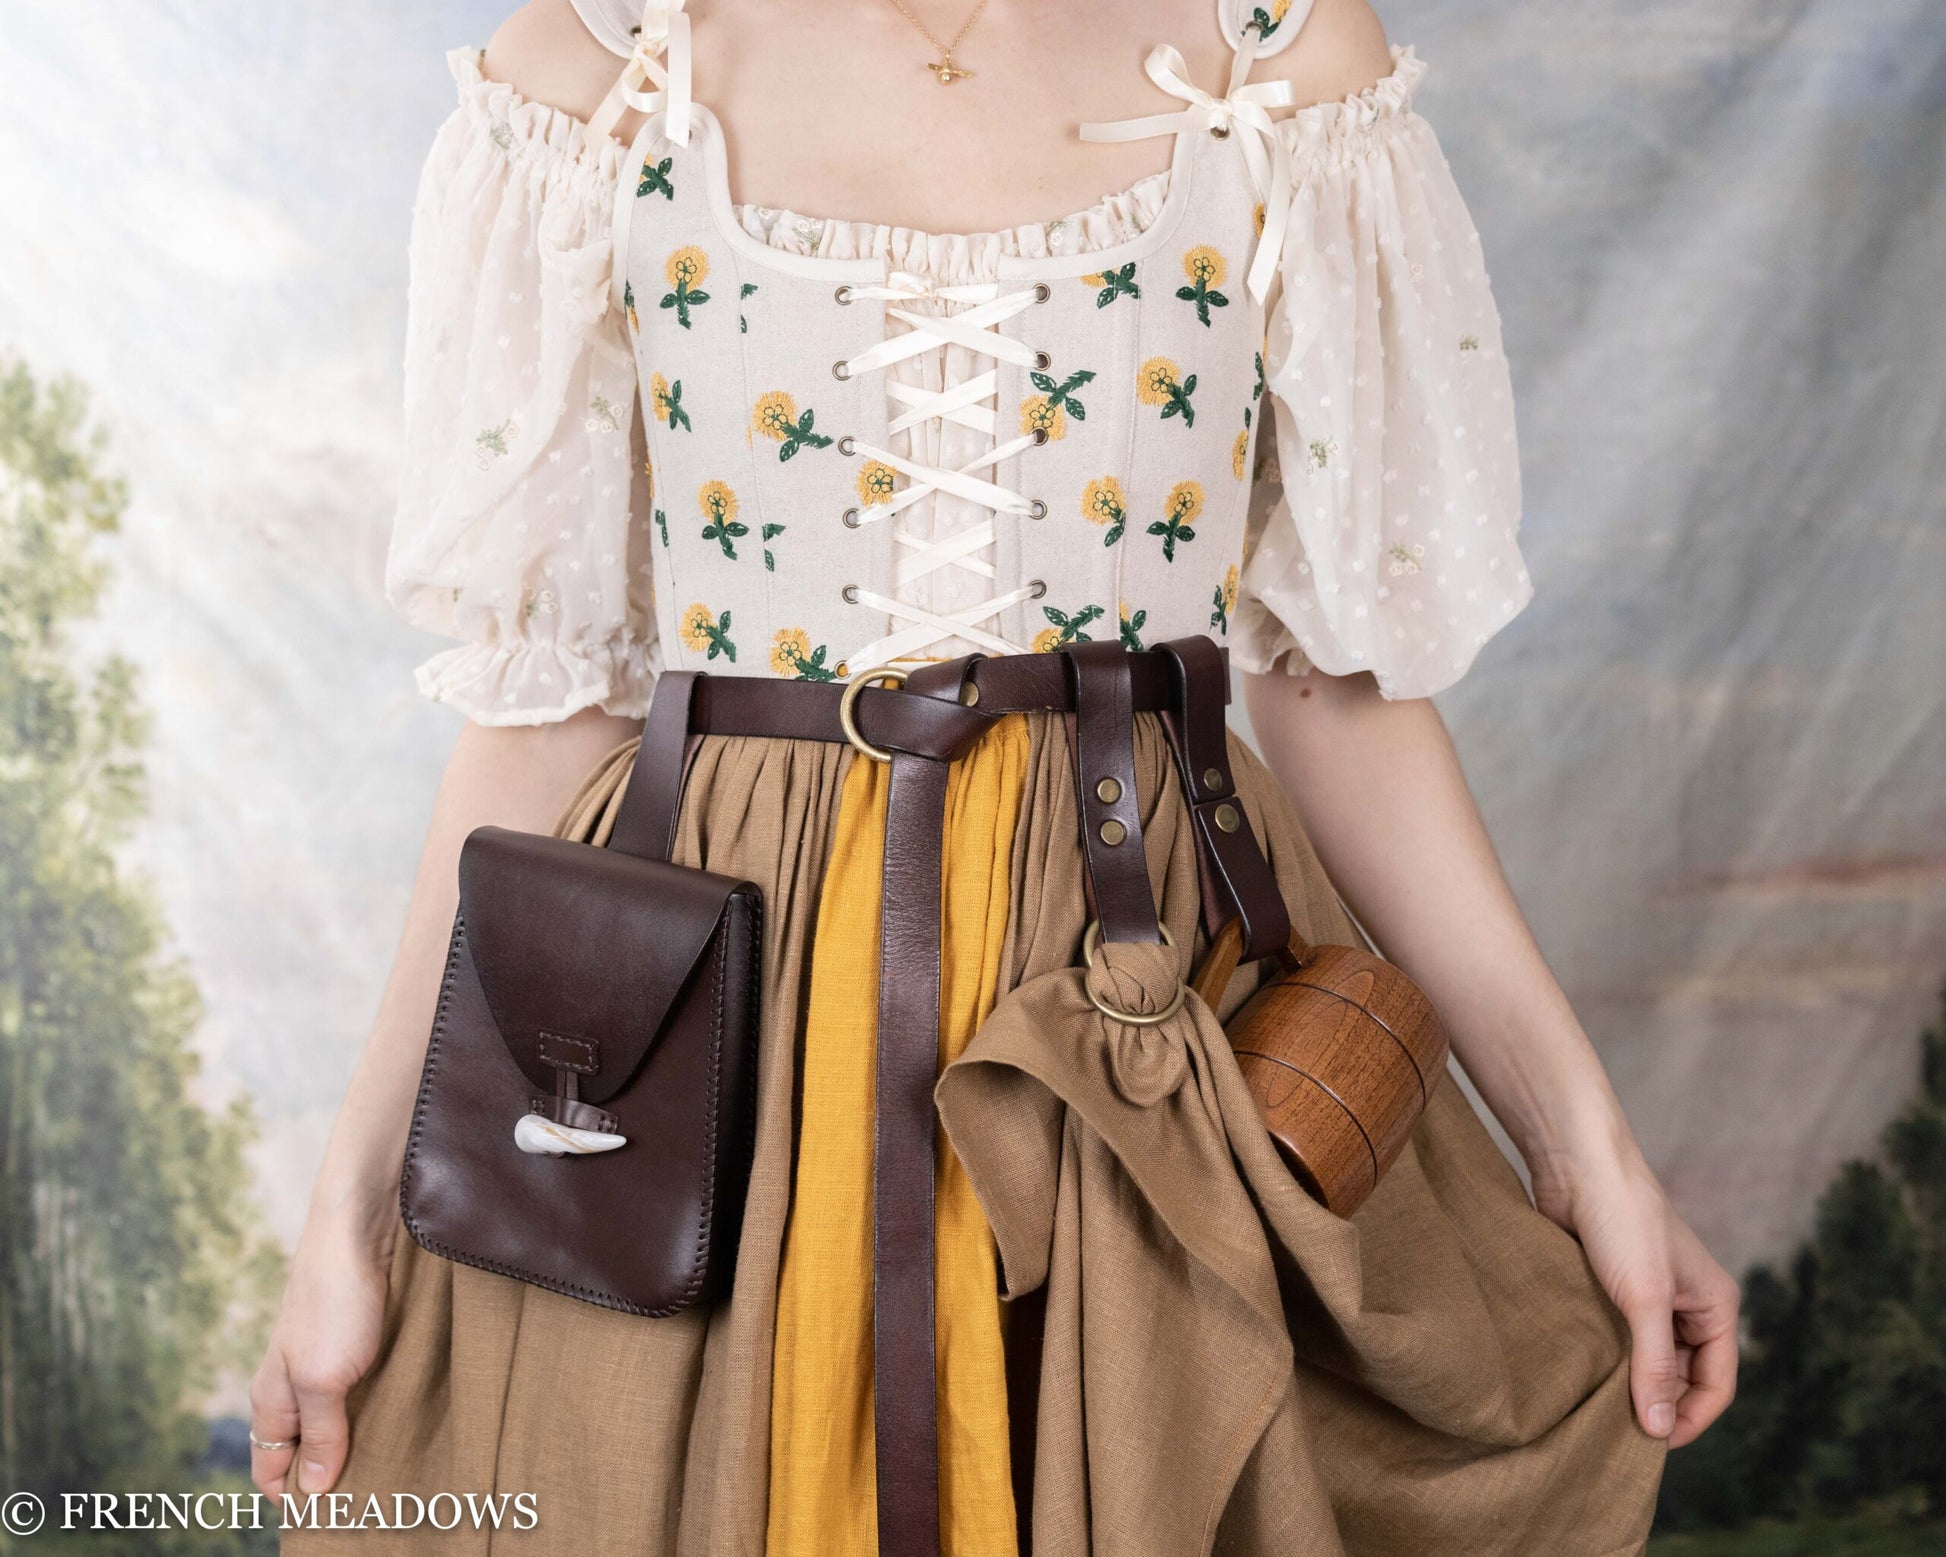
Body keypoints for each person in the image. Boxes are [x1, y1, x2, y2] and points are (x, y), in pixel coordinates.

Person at [252, 0, 1740, 1549]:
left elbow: (1336, 688)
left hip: (1144, 960)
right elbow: (542, 707)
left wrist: (1582, 1153)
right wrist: (352, 1210)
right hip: (732, 999)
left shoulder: (1274, 58)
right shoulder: (598, 67)